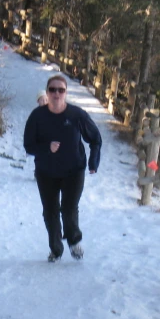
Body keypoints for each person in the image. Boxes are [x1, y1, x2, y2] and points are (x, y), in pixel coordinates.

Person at [23, 74, 102, 262]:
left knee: (68, 209)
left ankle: (74, 241)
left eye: (61, 90)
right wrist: (46, 148)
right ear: (47, 93)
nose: (56, 93)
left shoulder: (76, 115)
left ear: (66, 93)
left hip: (73, 171)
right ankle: (56, 249)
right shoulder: (37, 116)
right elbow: (28, 145)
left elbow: (95, 139)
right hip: (46, 172)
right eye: (52, 89)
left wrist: (93, 162)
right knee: (50, 211)